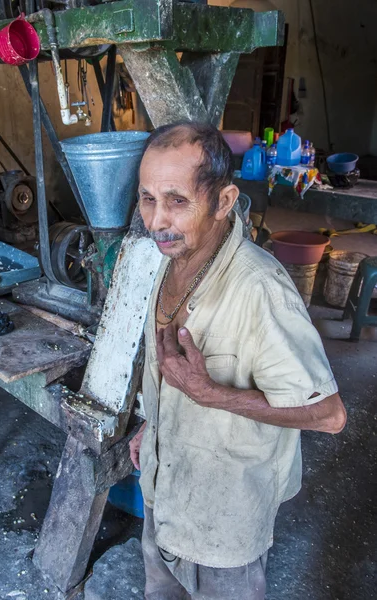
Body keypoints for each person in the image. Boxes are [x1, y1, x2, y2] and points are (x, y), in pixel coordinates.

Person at [129, 121, 346, 600]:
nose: (156, 220)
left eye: (177, 200)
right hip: (164, 496)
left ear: (224, 202)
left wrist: (209, 394)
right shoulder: (168, 260)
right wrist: (156, 423)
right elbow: (171, 373)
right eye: (147, 198)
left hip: (224, 523)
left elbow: (330, 415)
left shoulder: (260, 289)